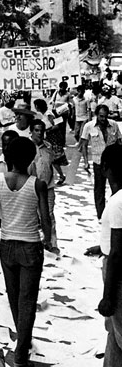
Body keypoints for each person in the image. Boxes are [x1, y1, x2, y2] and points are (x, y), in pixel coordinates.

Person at [0, 137, 51, 367]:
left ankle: (23, 339)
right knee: (28, 300)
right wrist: (48, 239)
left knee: (13, 296)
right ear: (32, 158)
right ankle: (22, 348)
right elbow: (45, 217)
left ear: (8, 157)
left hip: (6, 245)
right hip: (30, 245)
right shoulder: (37, 184)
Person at [97, 144, 122, 366]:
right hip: (113, 262)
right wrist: (102, 246)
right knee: (113, 332)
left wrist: (107, 296)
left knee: (119, 330)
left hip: (117, 274)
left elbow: (116, 253)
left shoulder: (117, 202)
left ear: (106, 168)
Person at [80, 104, 122, 219]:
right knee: (99, 189)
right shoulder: (89, 126)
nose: (103, 119)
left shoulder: (113, 125)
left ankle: (115, 213)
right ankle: (101, 215)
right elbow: (84, 144)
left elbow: (119, 141)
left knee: (116, 188)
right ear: (96, 115)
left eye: (105, 116)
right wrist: (85, 162)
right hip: (98, 162)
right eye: (101, 116)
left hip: (113, 163)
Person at [28, 120, 60, 253]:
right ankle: (33, 244)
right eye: (36, 130)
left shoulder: (48, 147)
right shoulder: (27, 146)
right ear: (31, 131)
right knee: (33, 216)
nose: (40, 133)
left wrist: (61, 174)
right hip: (31, 187)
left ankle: (52, 244)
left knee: (49, 215)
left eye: (42, 130)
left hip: (48, 186)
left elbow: (54, 163)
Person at [33, 99, 67, 185]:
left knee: (53, 159)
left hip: (53, 138)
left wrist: (46, 131)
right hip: (48, 138)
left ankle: (61, 176)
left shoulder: (49, 114)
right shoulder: (44, 114)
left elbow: (56, 126)